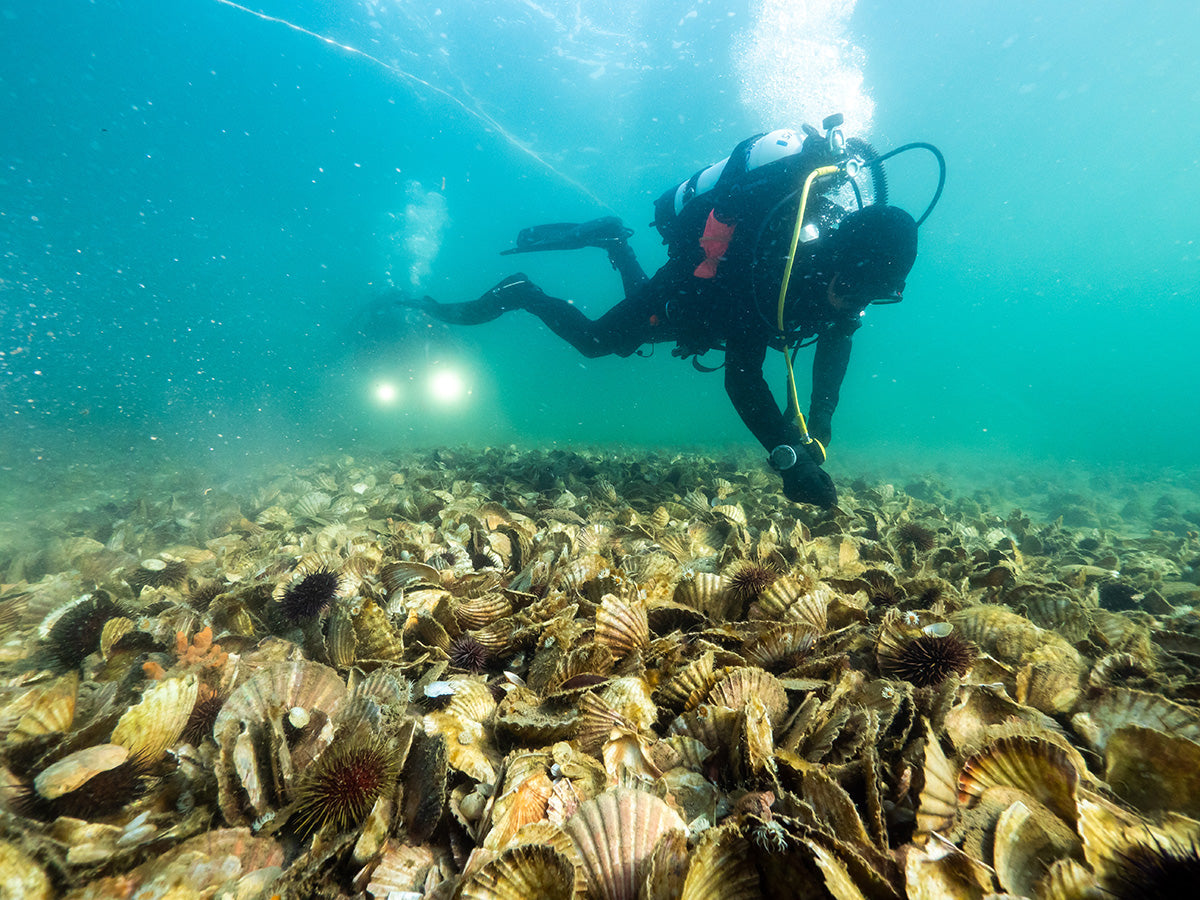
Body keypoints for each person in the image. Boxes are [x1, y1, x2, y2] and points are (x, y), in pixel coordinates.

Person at [412, 122, 924, 508]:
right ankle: (523, 291)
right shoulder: (772, 267)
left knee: (651, 325)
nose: (853, 304)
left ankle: (615, 243)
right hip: (699, 285)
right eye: (853, 290)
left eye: (872, 297)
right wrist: (787, 457)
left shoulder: (850, 279)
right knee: (598, 341)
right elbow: (743, 377)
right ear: (838, 262)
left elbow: (839, 337)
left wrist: (820, 426)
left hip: (711, 312)